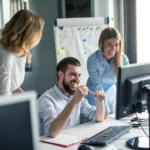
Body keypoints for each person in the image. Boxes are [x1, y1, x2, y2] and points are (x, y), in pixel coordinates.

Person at [37, 57, 105, 137]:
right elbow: (52, 132)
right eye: (73, 75)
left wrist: (100, 102)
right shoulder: (46, 100)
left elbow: (98, 118)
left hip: (73, 142)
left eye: (79, 75)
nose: (77, 79)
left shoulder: (75, 95)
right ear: (60, 75)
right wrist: (73, 102)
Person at [86, 27, 129, 117]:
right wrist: (105, 110)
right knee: (99, 124)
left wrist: (127, 106)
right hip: (95, 96)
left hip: (111, 94)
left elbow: (126, 83)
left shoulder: (123, 58)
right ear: (102, 43)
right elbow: (98, 86)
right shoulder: (93, 60)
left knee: (116, 120)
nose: (113, 48)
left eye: (116, 45)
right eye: (109, 44)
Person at [0, 10, 44, 95]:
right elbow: (3, 94)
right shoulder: (5, 55)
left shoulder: (20, 51)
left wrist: (29, 101)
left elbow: (12, 86)